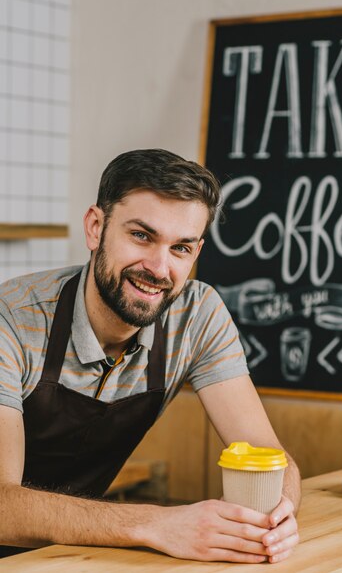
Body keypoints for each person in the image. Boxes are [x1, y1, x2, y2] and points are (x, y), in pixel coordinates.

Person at [0, 149, 300, 564]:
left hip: (66, 554)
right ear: (95, 227)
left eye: (181, 248)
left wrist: (280, 511)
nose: (159, 268)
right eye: (141, 235)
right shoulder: (12, 319)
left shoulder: (197, 314)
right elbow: (2, 506)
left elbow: (269, 455)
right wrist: (158, 524)